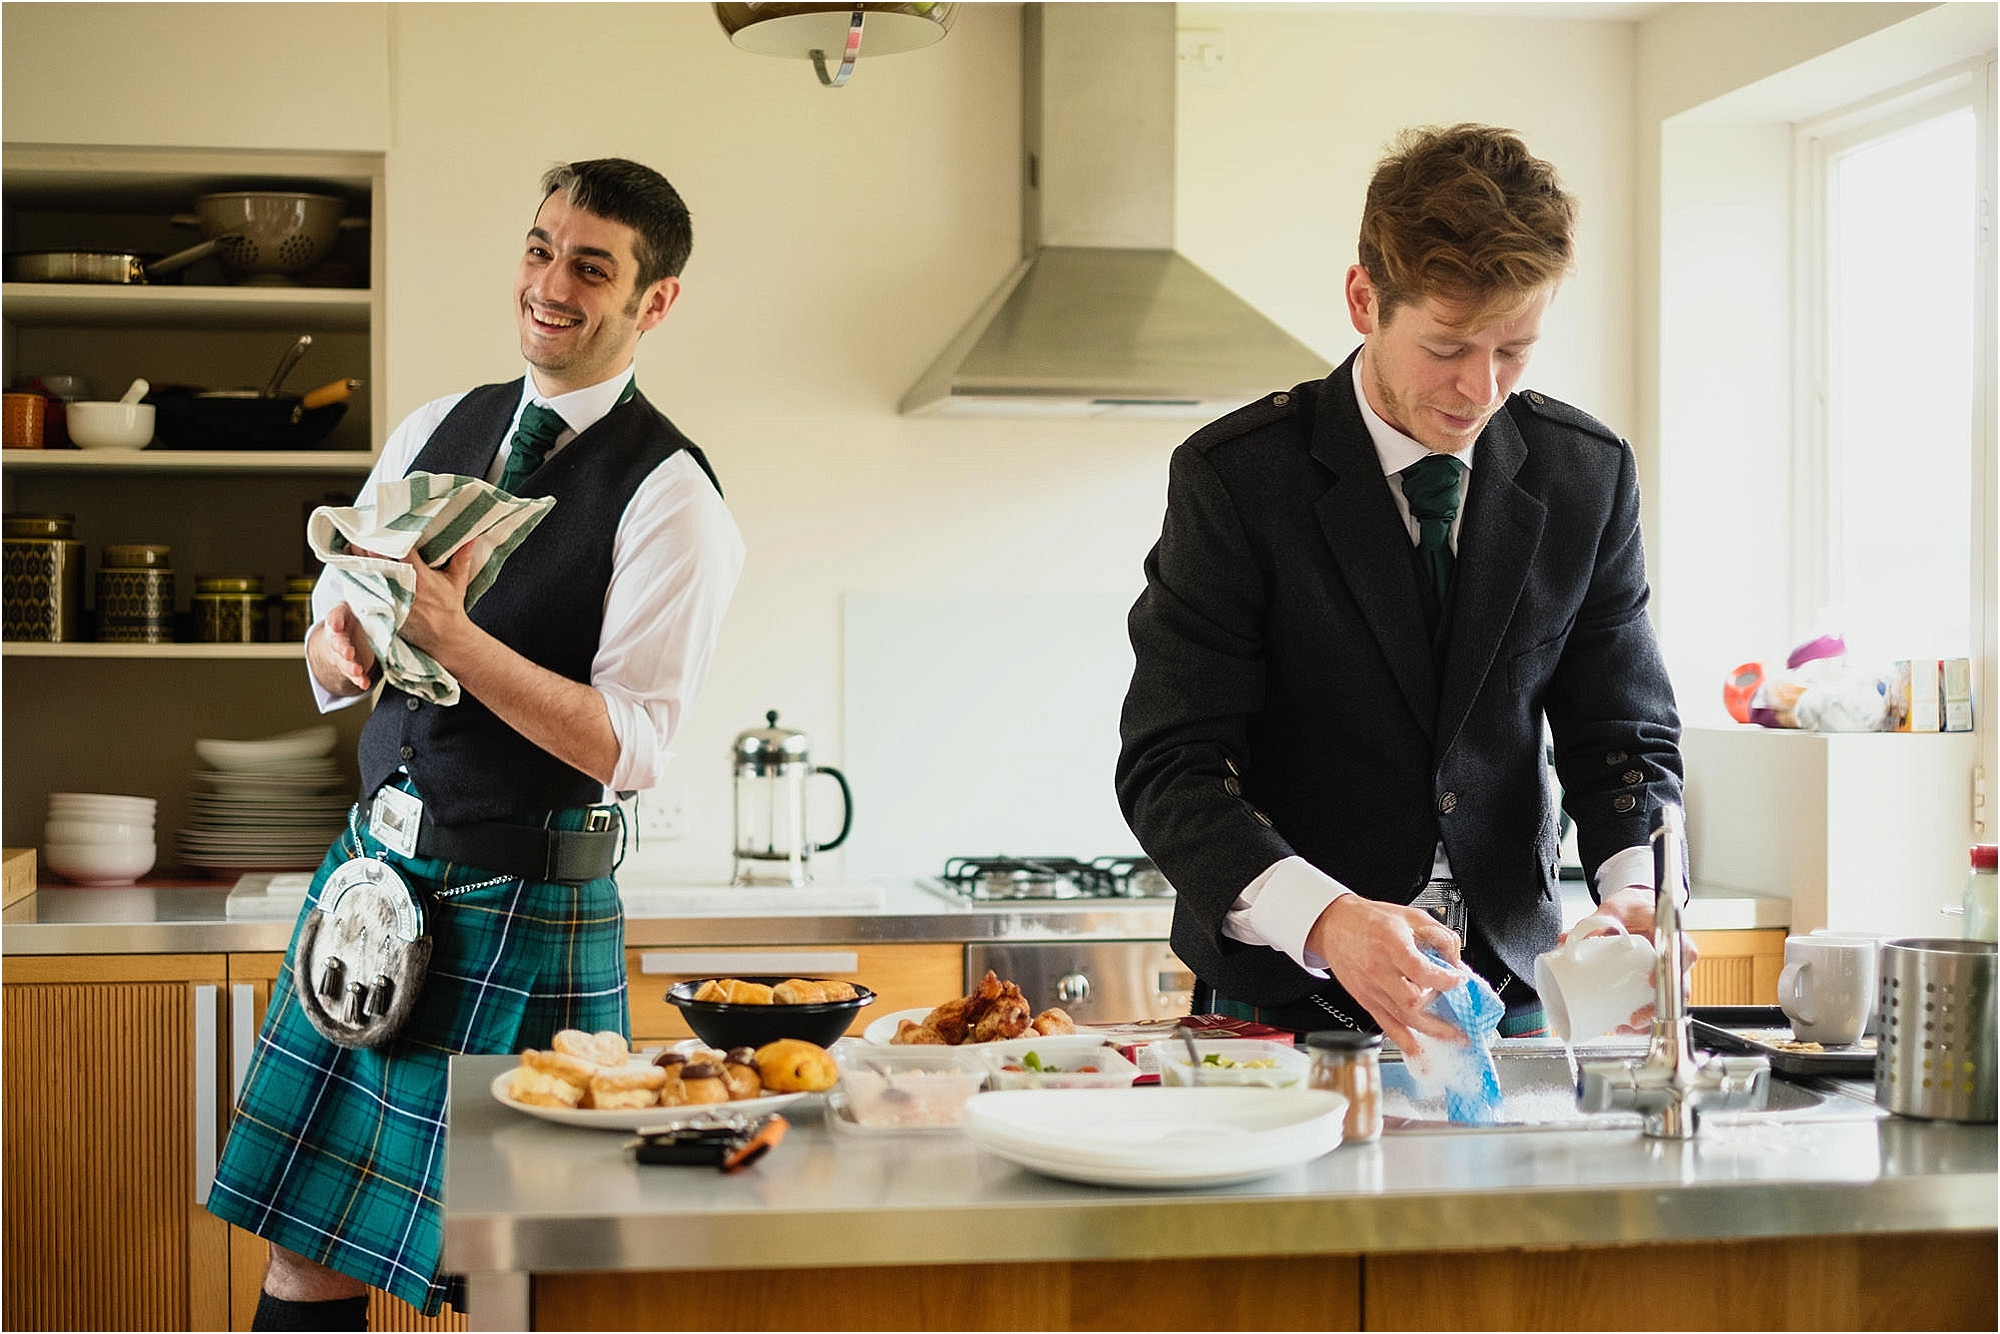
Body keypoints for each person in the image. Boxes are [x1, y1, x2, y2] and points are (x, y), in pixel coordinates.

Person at [207, 158, 746, 1329]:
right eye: (540, 248)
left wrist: (455, 639)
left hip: (522, 904)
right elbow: (336, 611)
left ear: (653, 301)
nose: (549, 284)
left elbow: (630, 742)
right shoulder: (433, 425)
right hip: (373, 877)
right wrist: (336, 646)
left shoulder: (673, 497)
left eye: (590, 267)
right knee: (303, 1255)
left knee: (527, 1280)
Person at [1116, 124, 1683, 1054]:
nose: (1481, 389)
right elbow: (1171, 765)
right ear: (1364, 299)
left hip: (1512, 984)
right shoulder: (1238, 480)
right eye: (1447, 346)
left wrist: (1638, 889)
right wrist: (1329, 920)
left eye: (1514, 350)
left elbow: (1622, 734)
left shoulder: (1586, 474)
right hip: (1293, 995)